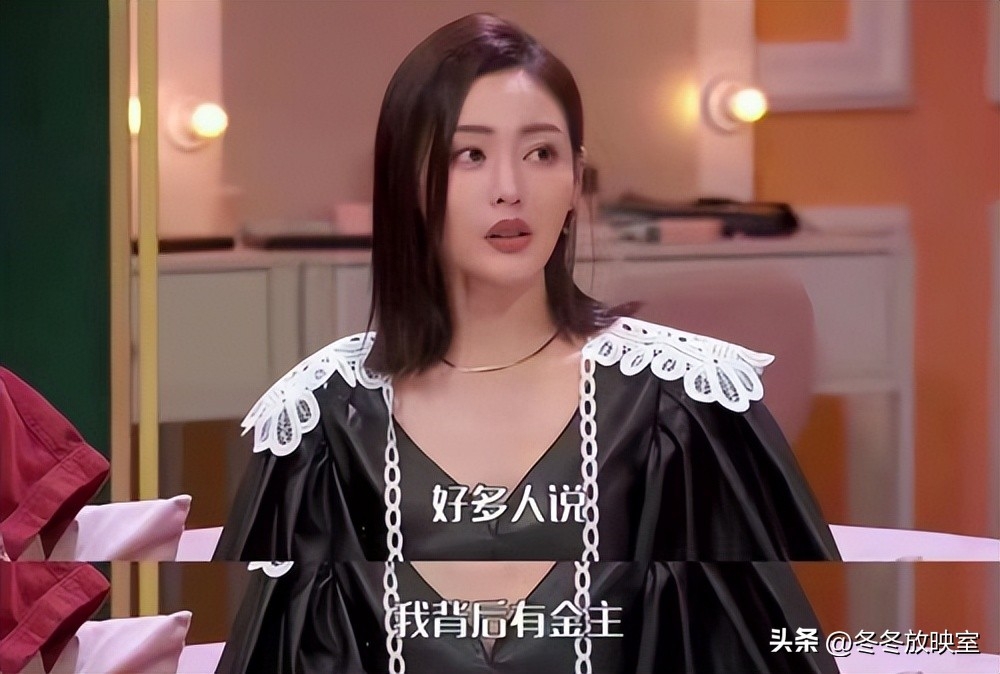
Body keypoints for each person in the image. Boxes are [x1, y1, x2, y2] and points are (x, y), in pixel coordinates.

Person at [215, 13, 840, 673]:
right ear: (408, 184)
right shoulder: (324, 424)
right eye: (470, 155)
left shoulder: (683, 411)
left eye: (541, 153)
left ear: (575, 179)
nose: (510, 190)